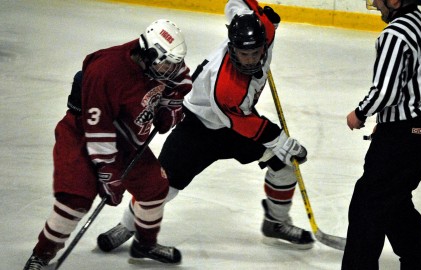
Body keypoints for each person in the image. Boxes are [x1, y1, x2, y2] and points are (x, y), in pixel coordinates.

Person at [96, 0, 315, 254]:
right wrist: (283, 142)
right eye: (244, 54)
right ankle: (128, 226)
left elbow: (239, 2)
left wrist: (243, 12)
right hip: (198, 127)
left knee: (284, 165)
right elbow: (244, 124)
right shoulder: (225, 86)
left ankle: (275, 222)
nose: (250, 60)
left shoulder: (265, 31)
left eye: (255, 52)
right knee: (163, 186)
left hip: (234, 122)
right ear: (232, 48)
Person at [23, 19, 192, 269]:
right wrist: (108, 173)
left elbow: (180, 78)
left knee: (155, 188)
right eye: (167, 63)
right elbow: (98, 128)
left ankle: (144, 244)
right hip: (82, 136)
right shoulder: (106, 71)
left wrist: (171, 106)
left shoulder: (160, 63)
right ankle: (42, 254)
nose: (171, 69)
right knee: (75, 200)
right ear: (149, 53)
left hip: (126, 139)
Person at [342, 0, 421, 269]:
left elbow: (386, 91)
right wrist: (389, 122)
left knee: (368, 202)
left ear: (395, 1)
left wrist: (360, 113)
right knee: (393, 200)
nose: (375, 3)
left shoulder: (395, 34)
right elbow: (417, 87)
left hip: (408, 134)